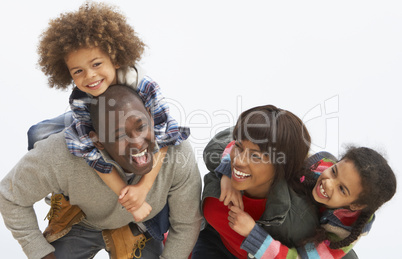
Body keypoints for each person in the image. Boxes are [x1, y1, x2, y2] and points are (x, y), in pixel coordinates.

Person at [28, 2, 190, 221]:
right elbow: (91, 154)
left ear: (114, 58)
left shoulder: (143, 87)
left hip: (129, 125)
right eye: (78, 71)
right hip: (99, 124)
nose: (90, 76)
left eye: (96, 64)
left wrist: (142, 189)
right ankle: (61, 197)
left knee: (144, 155)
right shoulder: (80, 100)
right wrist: (127, 197)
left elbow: (163, 137)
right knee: (38, 132)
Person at [0, 85, 202, 259]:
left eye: (141, 126)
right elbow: (10, 197)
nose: (138, 142)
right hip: (84, 219)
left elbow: (186, 223)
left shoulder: (177, 152)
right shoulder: (61, 154)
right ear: (97, 141)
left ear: (150, 116)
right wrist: (41, 253)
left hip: (141, 225)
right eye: (121, 135)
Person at [213, 140, 396, 258]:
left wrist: (253, 233)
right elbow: (237, 143)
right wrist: (228, 174)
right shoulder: (315, 164)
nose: (328, 183)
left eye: (342, 189)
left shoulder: (346, 232)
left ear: (355, 205)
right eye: (334, 171)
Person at [192, 105, 321, 259]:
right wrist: (225, 171)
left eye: (256, 156)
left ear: (282, 166)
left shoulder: (299, 218)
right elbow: (221, 143)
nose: (238, 161)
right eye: (238, 147)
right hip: (212, 242)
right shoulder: (222, 166)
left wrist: (255, 235)